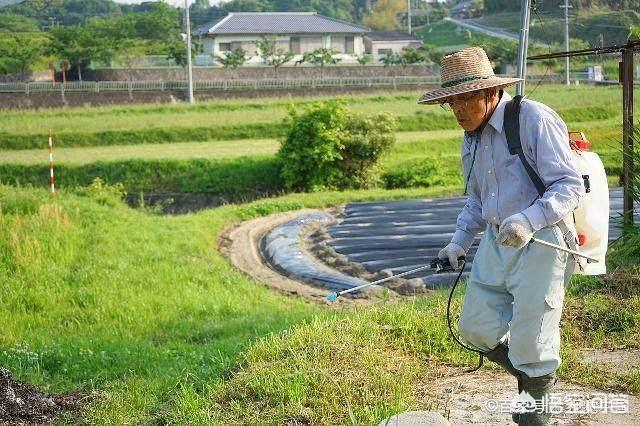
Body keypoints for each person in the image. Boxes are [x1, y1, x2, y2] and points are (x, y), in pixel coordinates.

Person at [418, 47, 584, 425]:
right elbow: (477, 200)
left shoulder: (532, 119)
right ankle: (535, 380)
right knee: (475, 328)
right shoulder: (471, 138)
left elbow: (569, 185)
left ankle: (533, 406)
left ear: (491, 93)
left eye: (465, 99)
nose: (458, 110)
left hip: (543, 240)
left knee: (532, 340)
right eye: (451, 102)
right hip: (498, 240)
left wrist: (527, 220)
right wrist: (459, 241)